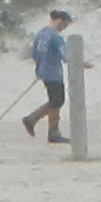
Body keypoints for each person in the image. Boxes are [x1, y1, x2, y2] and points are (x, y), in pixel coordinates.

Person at [22, 8, 74, 142]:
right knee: (57, 100)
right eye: (65, 24)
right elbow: (65, 56)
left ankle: (53, 132)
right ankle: (32, 119)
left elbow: (35, 54)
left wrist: (39, 68)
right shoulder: (56, 37)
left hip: (43, 71)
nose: (64, 28)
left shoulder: (41, 34)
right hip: (54, 73)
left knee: (56, 101)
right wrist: (80, 63)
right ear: (59, 21)